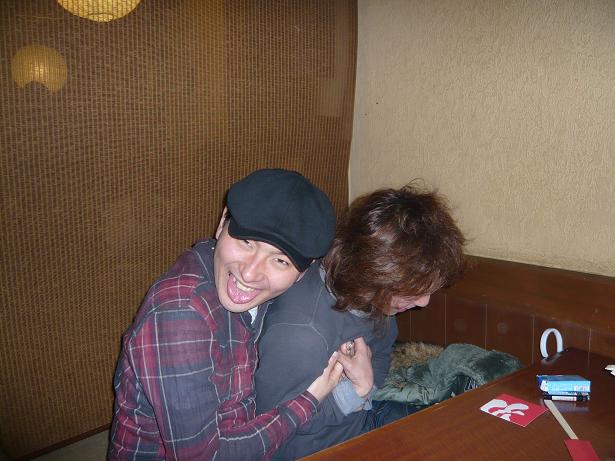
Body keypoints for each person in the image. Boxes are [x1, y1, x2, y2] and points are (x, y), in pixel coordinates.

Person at [108, 169, 343, 461]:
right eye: (247, 242)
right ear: (222, 224)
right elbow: (204, 457)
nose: (250, 272)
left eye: (280, 260)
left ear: (300, 274)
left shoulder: (246, 281)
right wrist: (308, 402)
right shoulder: (179, 319)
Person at [255, 183, 466, 460]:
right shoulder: (301, 334)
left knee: (456, 433)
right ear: (374, 270)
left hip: (361, 424)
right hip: (310, 450)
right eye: (415, 289)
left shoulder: (372, 299)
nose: (424, 302)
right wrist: (357, 390)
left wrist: (365, 388)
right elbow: (274, 427)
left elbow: (381, 353)